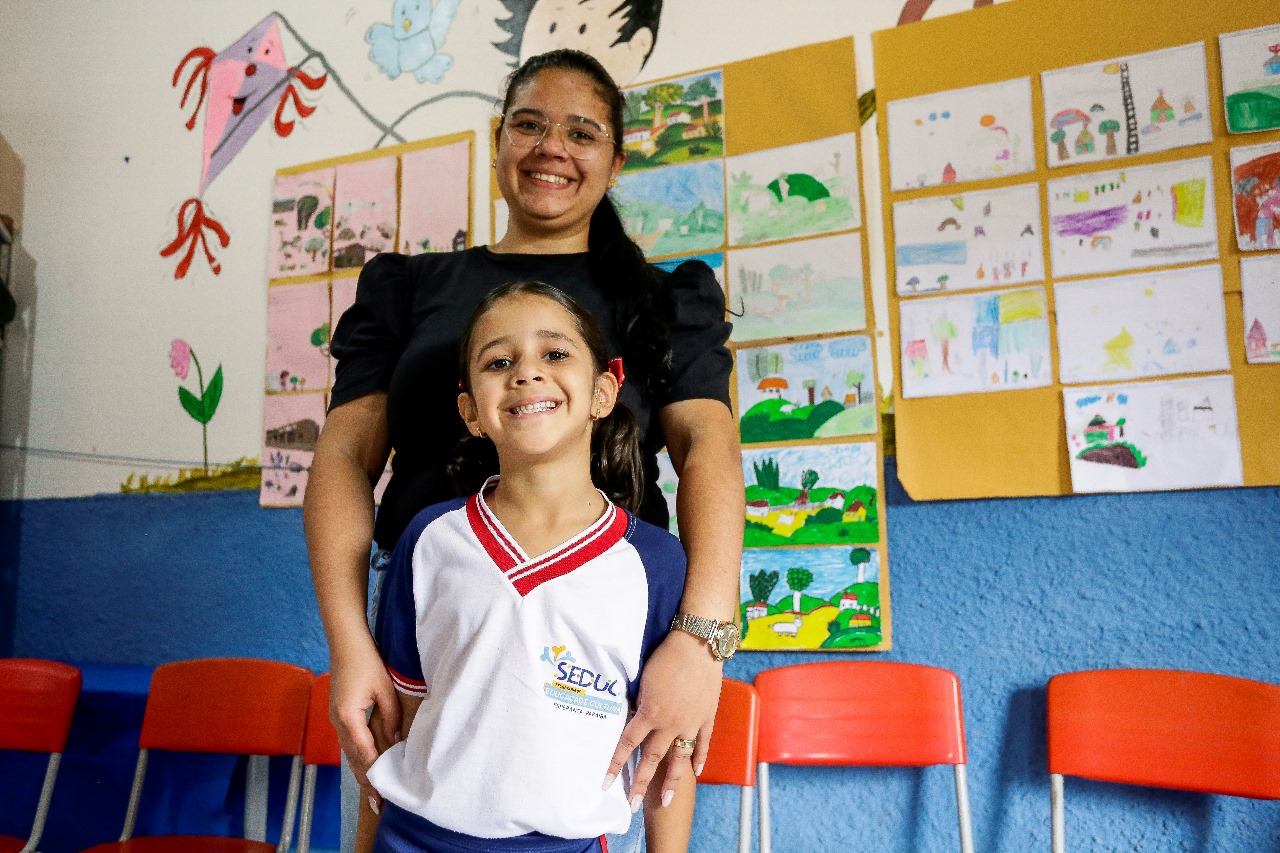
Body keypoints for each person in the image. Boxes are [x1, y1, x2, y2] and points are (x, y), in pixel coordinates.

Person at [304, 48, 744, 853]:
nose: (552, 146)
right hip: (445, 614)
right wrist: (348, 642)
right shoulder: (410, 286)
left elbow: (709, 444)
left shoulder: (660, 299)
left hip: (607, 621)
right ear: (497, 137)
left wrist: (700, 635)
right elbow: (341, 457)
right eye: (530, 123)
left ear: (616, 159)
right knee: (406, 787)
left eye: (582, 131)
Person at [366, 281, 688, 852]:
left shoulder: (655, 563)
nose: (526, 373)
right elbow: (396, 724)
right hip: (414, 840)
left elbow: (666, 751)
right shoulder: (428, 539)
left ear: (603, 392)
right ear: (470, 411)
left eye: (556, 354)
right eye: (498, 361)